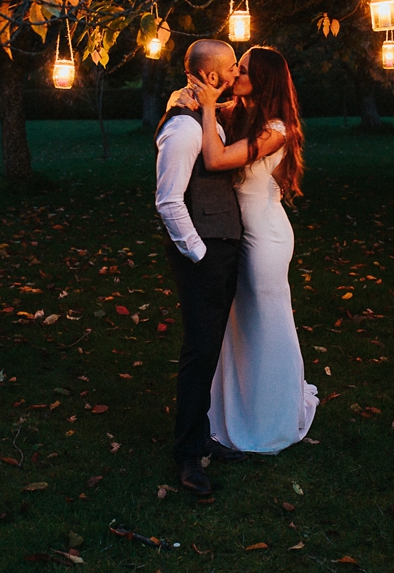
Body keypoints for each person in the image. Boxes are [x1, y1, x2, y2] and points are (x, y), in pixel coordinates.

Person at [189, 46, 319, 454]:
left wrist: (209, 109)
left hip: (266, 237)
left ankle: (271, 420)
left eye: (241, 71)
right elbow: (196, 108)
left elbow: (215, 159)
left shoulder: (276, 128)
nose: (233, 75)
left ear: (261, 79)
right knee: (236, 325)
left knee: (265, 323)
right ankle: (233, 411)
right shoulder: (237, 112)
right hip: (235, 231)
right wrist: (192, 97)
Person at [154, 39, 250, 497]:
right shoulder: (184, 130)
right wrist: (200, 253)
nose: (235, 75)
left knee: (209, 350)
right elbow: (168, 200)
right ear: (211, 77)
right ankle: (188, 456)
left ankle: (202, 436)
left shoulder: (199, 112)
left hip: (219, 248)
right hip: (204, 255)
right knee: (199, 352)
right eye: (231, 68)